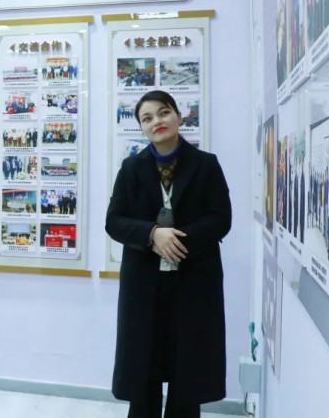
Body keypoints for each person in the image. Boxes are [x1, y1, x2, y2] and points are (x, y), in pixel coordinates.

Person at [105, 90, 231, 418]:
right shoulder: (131, 168)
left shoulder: (206, 165)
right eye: (147, 118)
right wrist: (152, 235)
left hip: (194, 282)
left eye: (163, 113)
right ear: (141, 128)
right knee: (142, 376)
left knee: (188, 376)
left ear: (178, 116)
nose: (156, 122)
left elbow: (221, 219)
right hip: (143, 285)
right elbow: (114, 222)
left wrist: (175, 240)